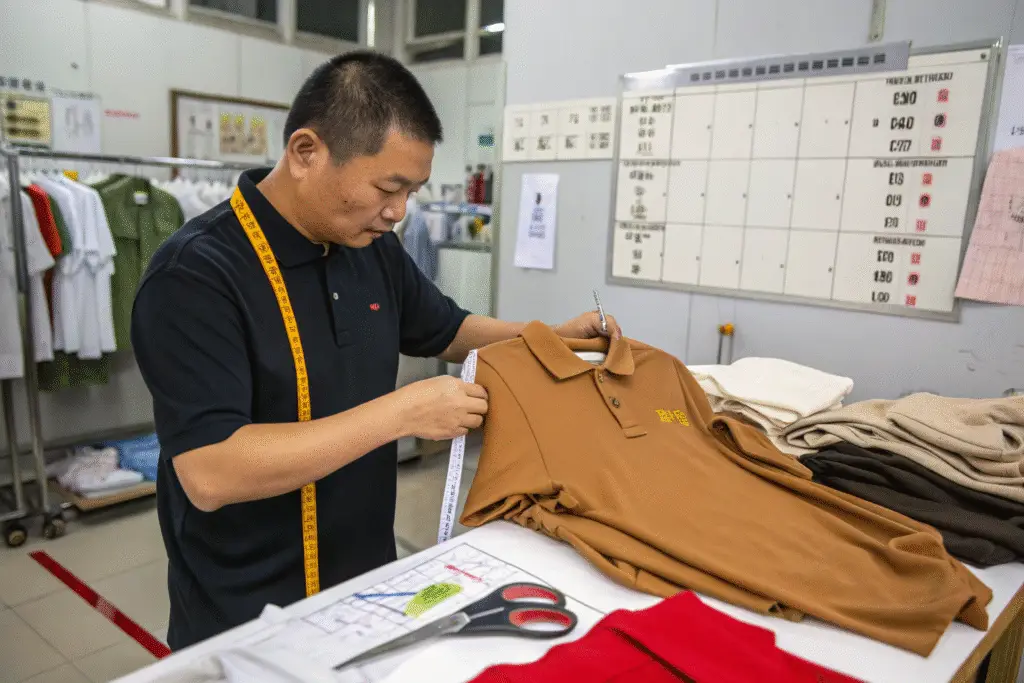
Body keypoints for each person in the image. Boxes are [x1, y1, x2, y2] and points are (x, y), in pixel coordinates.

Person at [131, 51, 620, 650]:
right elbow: (211, 470)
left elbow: (447, 329)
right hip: (245, 605)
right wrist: (404, 414)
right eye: (388, 188)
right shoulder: (196, 275)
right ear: (306, 153)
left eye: (412, 191)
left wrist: (551, 338)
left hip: (366, 580)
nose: (399, 212)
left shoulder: (369, 245)